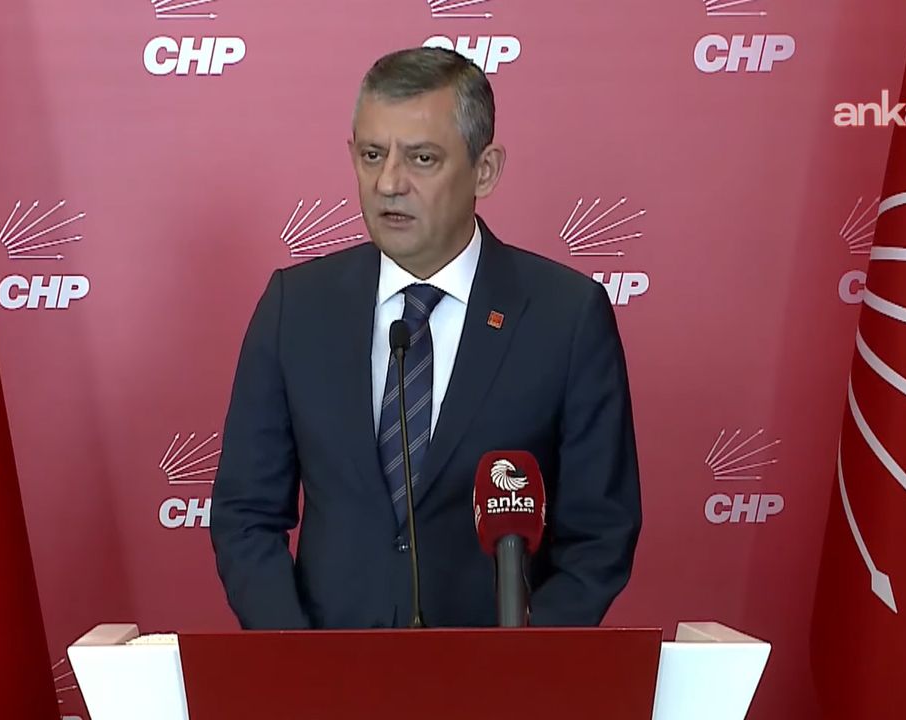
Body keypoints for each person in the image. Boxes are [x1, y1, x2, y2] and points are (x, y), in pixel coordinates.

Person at [209, 47, 641, 629]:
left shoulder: (565, 315)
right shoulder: (296, 307)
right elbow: (245, 515)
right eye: (372, 155)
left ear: (485, 170)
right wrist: (297, 656)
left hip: (497, 671)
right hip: (327, 668)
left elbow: (600, 533)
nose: (389, 183)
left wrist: (521, 662)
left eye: (422, 158)